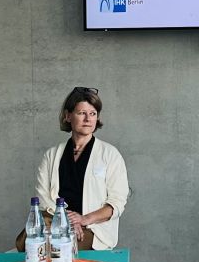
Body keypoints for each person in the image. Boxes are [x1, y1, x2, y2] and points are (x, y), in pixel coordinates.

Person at [27, 87, 128, 252]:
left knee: (59, 247)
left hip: (92, 228)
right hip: (56, 222)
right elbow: (43, 198)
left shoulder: (110, 155)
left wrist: (83, 219)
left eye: (93, 113)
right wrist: (67, 221)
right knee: (27, 240)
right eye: (81, 113)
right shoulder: (51, 155)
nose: (88, 119)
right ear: (68, 116)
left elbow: (116, 203)